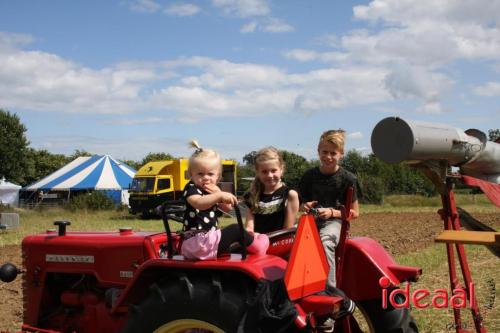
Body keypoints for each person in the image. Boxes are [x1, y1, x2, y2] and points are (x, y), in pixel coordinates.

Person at [181, 140, 269, 260]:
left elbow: (227, 209)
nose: (206, 178)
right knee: (235, 229)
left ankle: (251, 239)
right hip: (197, 242)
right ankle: (257, 247)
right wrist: (219, 196)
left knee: (232, 235)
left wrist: (218, 194)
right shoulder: (191, 188)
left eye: (210, 174)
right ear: (191, 174)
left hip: (208, 240)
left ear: (218, 176)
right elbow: (199, 203)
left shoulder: (214, 190)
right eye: (200, 174)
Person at [298, 129, 361, 293]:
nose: (328, 156)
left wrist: (332, 213)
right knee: (291, 241)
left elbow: (354, 213)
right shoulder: (308, 176)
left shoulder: (348, 179)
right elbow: (301, 204)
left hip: (335, 222)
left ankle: (329, 293)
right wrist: (304, 206)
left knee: (325, 242)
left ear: (341, 154)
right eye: (324, 152)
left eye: (333, 153)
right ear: (318, 151)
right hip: (310, 220)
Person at [244, 147, 299, 233]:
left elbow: (288, 229)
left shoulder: (290, 195)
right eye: (264, 171)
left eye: (273, 170)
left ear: (281, 169)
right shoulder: (252, 196)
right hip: (258, 243)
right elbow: (249, 228)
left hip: (281, 242)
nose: (269, 175)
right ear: (257, 172)